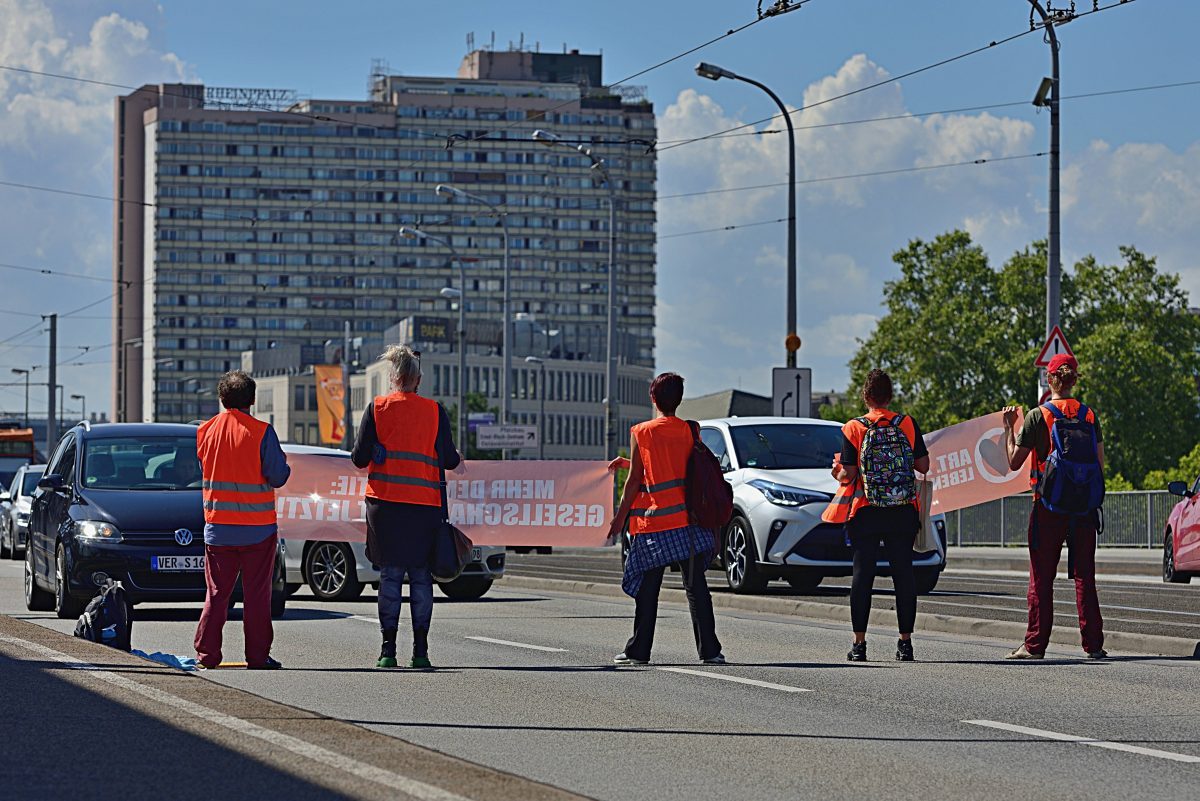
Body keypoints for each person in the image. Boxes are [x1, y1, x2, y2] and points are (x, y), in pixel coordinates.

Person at [352, 345, 463, 669]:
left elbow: (359, 459)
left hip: (384, 506)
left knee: (389, 575)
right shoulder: (434, 411)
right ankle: (421, 651)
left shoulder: (378, 408)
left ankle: (387, 651)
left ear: (393, 378)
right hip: (423, 506)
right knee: (420, 577)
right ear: (418, 380)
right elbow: (449, 459)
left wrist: (378, 449)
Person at [607, 372, 724, 666]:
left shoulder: (642, 432)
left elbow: (635, 481)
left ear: (653, 398)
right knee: (696, 589)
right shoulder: (690, 429)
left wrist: (619, 519)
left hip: (655, 525)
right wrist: (630, 462)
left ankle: (638, 651)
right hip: (690, 524)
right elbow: (677, 466)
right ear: (679, 399)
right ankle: (710, 651)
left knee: (648, 591)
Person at [1002, 353, 1106, 659]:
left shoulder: (1039, 415)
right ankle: (1094, 645)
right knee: (1085, 576)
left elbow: (1013, 462)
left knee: (1042, 576)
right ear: (1075, 379)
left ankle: (1035, 646)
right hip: (1084, 506)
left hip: (1048, 505)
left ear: (1050, 380)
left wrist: (1010, 427)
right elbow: (1099, 465)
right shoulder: (1088, 415)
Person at [825, 369, 930, 662]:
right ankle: (905, 644)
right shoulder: (907, 423)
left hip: (866, 511)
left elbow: (849, 473)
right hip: (902, 509)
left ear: (865, 396)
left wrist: (836, 471)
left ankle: (859, 645)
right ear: (891, 395)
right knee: (903, 575)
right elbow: (923, 465)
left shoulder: (853, 428)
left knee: (862, 575)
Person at [194, 370, 291, 670]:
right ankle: (258, 656)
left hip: (219, 530)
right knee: (257, 596)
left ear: (222, 399)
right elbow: (278, 476)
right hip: (258, 531)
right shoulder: (262, 432)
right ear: (252, 400)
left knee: (217, 594)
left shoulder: (205, 431)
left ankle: (207, 654)